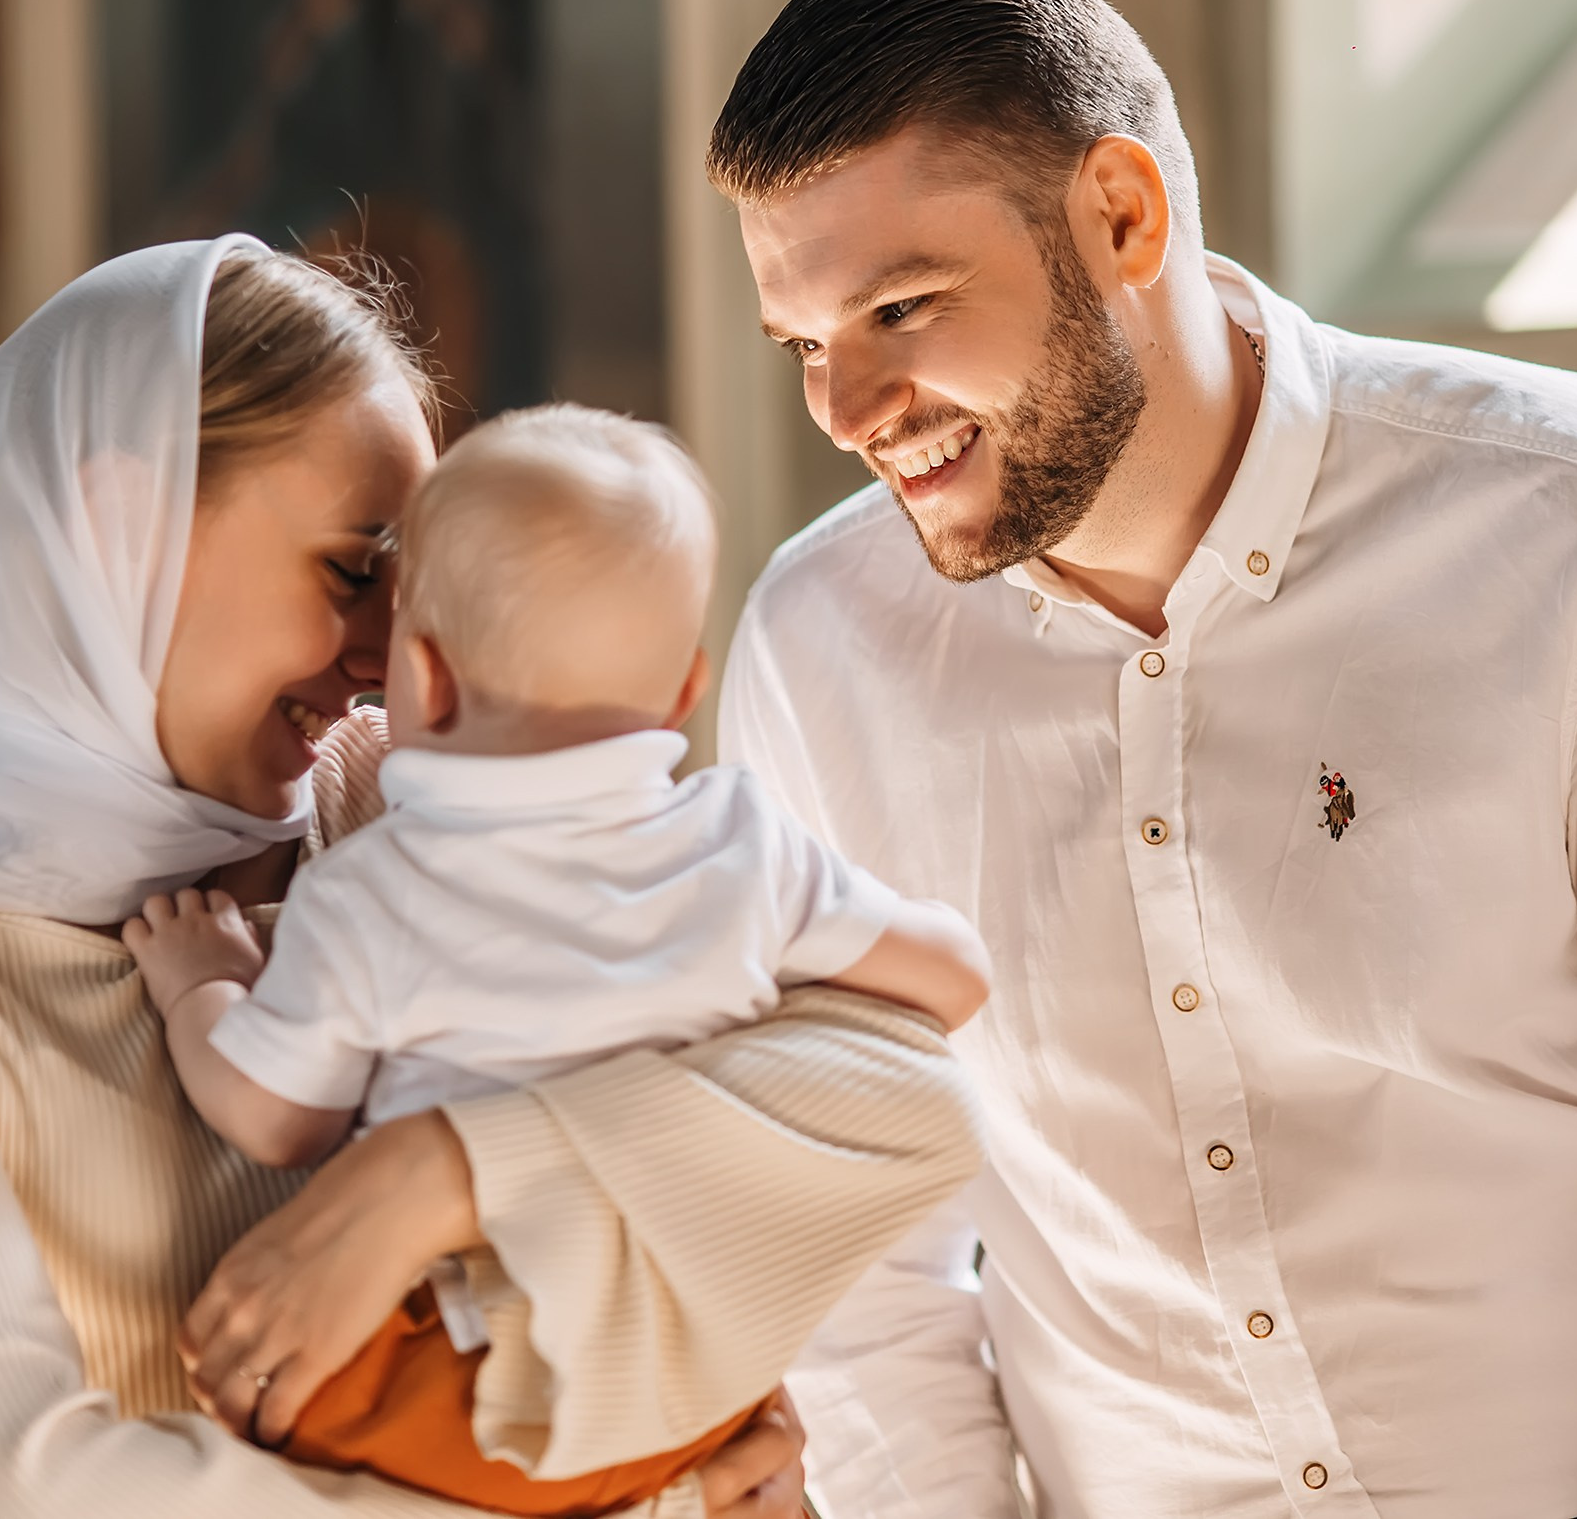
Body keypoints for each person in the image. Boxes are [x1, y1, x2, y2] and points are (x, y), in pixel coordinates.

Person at [708, 0, 1577, 1519]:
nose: (850, 412)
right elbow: (861, 1234)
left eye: (903, 308)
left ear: (1123, 214)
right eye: (804, 346)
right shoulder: (816, 652)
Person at [0, 237, 983, 1519]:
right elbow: (24, 1491)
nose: (395, 658)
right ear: (121, 523)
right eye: (351, 569)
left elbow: (918, 1100)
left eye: (418, 587)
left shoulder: (398, 790)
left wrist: (440, 1170)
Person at [121, 403, 989, 1515]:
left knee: (256, 1390)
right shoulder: (743, 844)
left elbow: (275, 1117)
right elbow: (951, 978)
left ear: (421, 679)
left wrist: (201, 982)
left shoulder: (378, 887)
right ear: (685, 688)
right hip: (698, 1383)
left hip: (473, 1396)